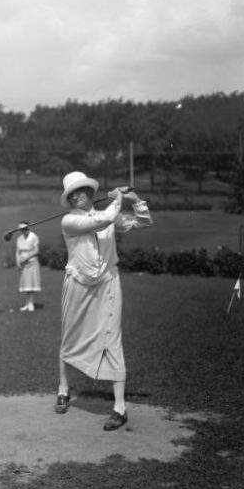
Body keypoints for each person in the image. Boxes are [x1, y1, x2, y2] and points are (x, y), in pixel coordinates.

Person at [54, 171, 152, 430]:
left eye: (81, 190)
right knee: (69, 336)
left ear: (89, 192)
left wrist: (133, 198)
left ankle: (120, 407)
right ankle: (63, 389)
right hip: (77, 283)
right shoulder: (68, 221)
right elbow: (104, 219)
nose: (76, 196)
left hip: (108, 281)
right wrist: (118, 198)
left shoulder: (107, 215)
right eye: (71, 193)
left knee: (112, 337)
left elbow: (144, 221)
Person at [15, 221, 41, 312]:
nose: (23, 231)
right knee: (26, 284)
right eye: (21, 229)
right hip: (23, 264)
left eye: (24, 229)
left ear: (28, 228)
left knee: (31, 283)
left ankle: (31, 303)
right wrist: (18, 262)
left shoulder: (34, 237)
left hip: (31, 263)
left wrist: (27, 258)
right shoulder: (19, 238)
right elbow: (18, 251)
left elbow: (36, 251)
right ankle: (27, 303)